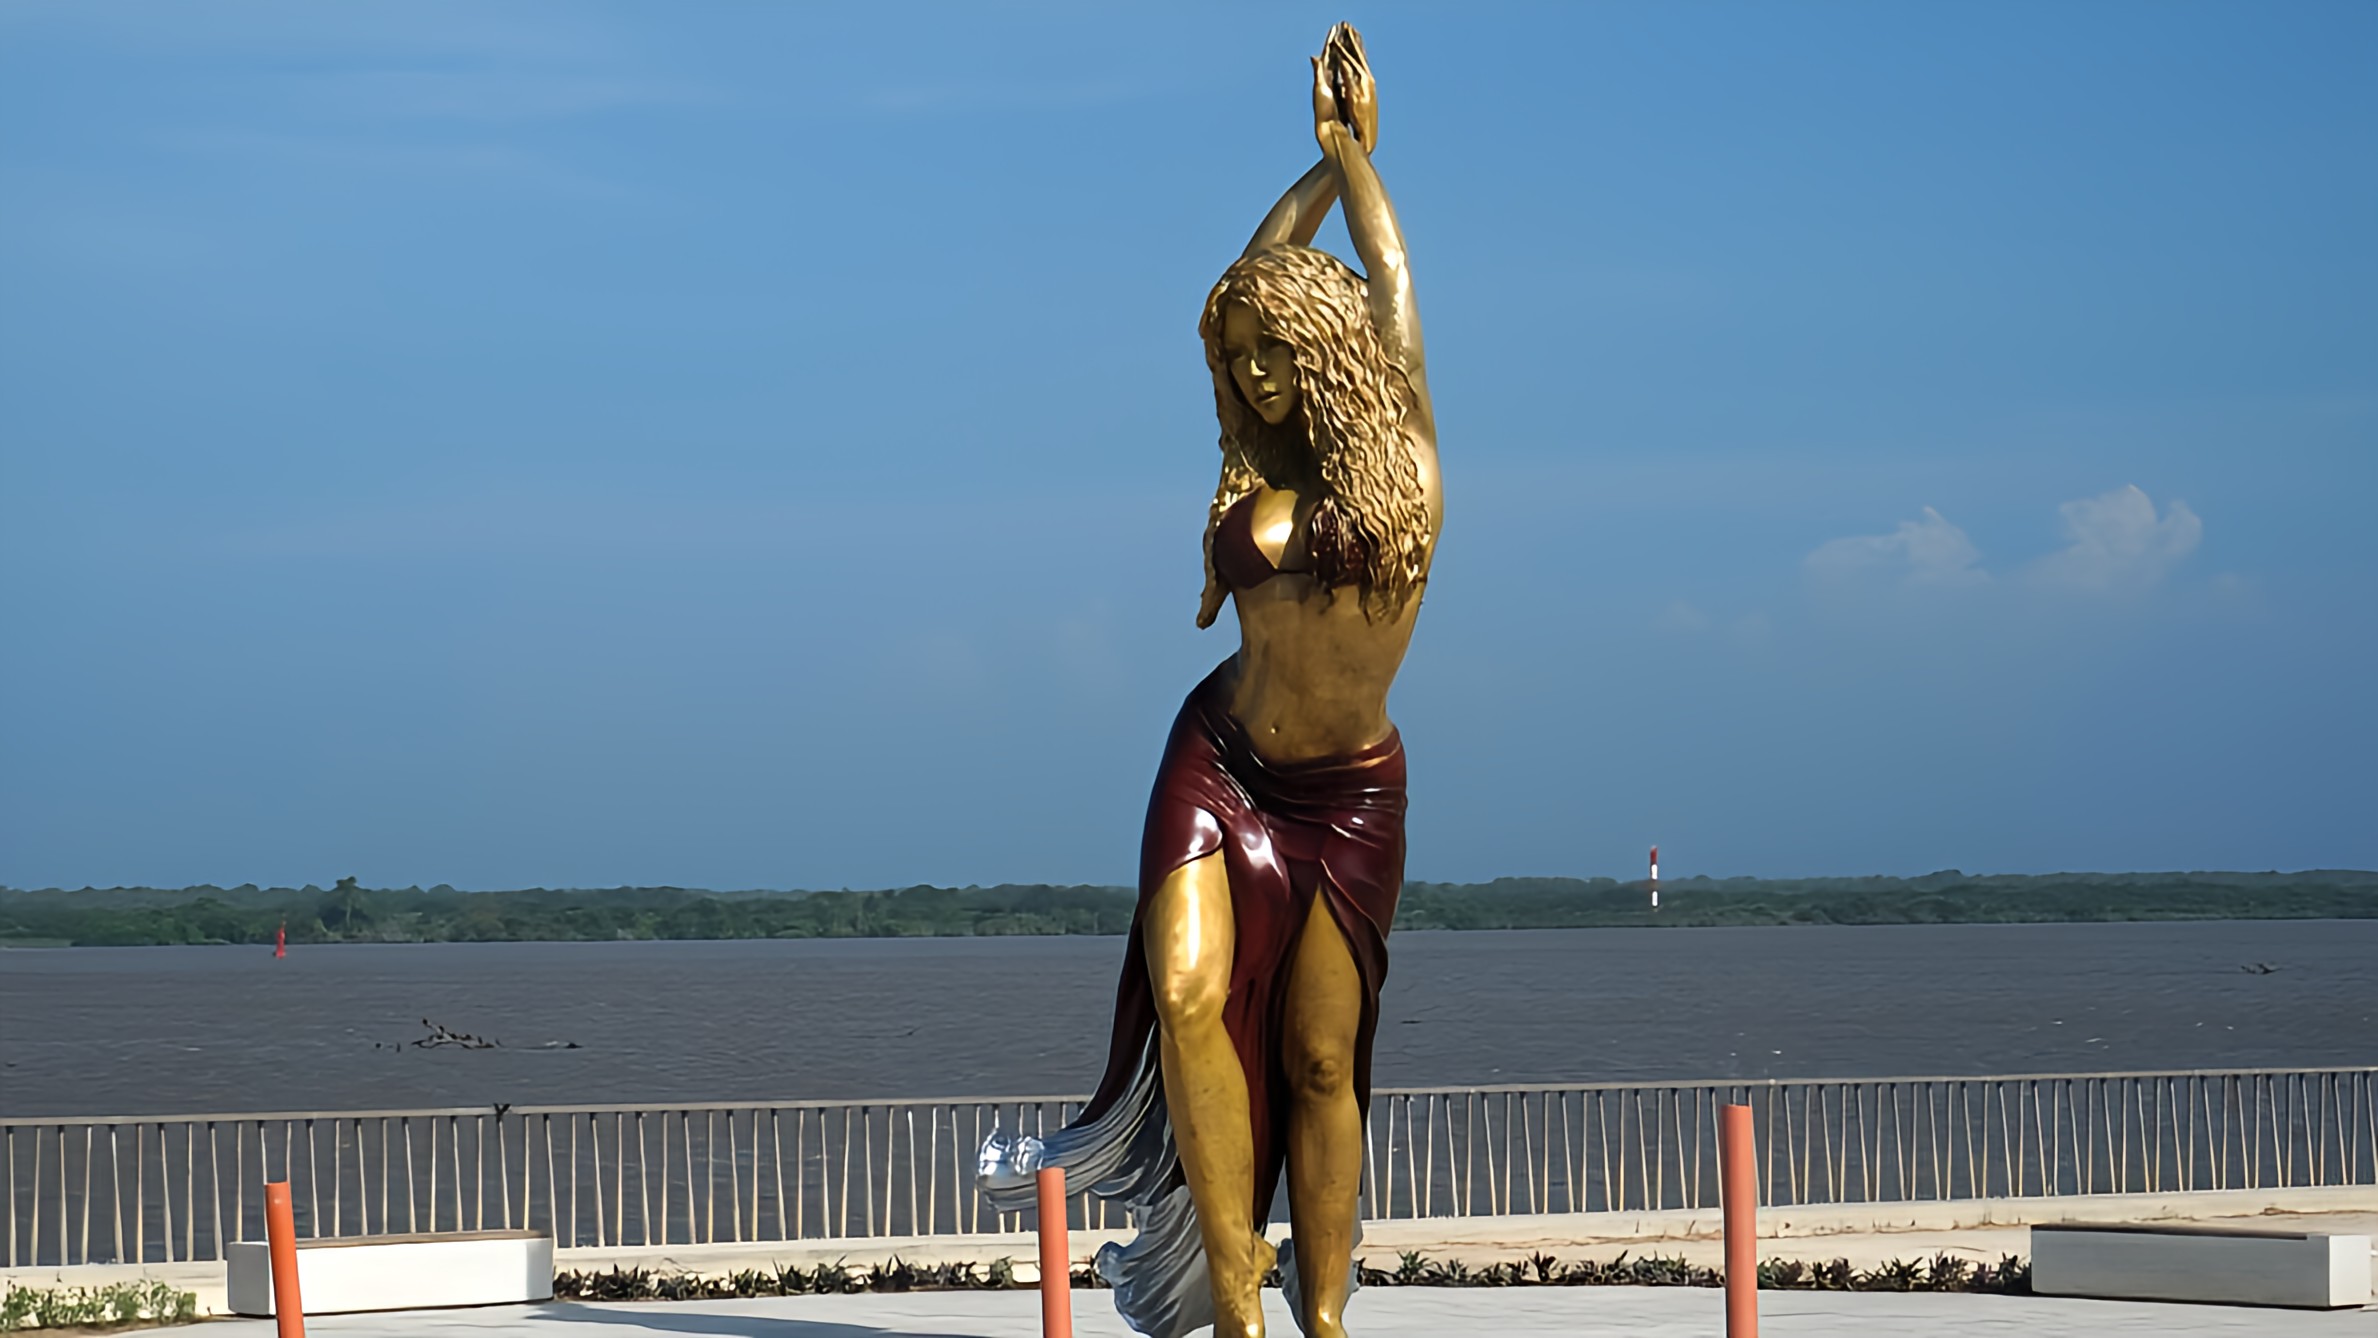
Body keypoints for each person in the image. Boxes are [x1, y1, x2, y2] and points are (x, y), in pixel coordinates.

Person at [982, 26, 1440, 1338]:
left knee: (1319, 1061)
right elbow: (1245, 276)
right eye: (1237, 356)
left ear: (1330, 350)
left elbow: (1392, 288)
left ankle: (1324, 1315)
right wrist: (1306, 183)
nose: (1251, 374)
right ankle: (1234, 1303)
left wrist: (1352, 157)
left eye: (1272, 351)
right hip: (1218, 759)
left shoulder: (1405, 465)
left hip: (1345, 796)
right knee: (1185, 1001)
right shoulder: (1258, 472)